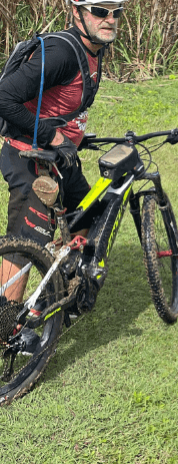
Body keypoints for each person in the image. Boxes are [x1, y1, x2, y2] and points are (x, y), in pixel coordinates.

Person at [0, 0, 125, 345]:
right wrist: (53, 135)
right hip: (29, 159)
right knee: (26, 246)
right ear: (77, 12)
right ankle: (6, 331)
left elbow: (60, 104)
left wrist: (74, 136)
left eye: (116, 12)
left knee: (90, 214)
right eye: (100, 11)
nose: (109, 19)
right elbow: (4, 98)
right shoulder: (61, 54)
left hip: (60, 160)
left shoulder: (94, 50)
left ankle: (51, 294)